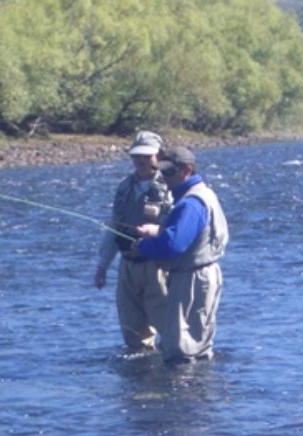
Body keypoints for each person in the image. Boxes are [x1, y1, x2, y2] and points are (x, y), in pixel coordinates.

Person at [132, 146, 228, 363]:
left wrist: (142, 247)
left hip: (192, 277)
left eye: (168, 173)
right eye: (161, 172)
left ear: (187, 170)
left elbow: (172, 246)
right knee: (196, 343)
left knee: (180, 347)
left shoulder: (190, 203)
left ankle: (184, 394)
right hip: (201, 273)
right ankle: (198, 390)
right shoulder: (202, 195)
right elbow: (186, 235)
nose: (163, 178)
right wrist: (157, 231)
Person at [95, 131, 173, 351]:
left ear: (159, 155)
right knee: (133, 335)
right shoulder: (124, 187)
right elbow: (113, 227)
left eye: (146, 156)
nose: (140, 161)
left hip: (158, 267)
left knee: (170, 331)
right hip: (128, 266)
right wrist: (102, 267)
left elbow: (179, 231)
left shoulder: (171, 187)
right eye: (136, 156)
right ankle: (140, 379)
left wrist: (156, 232)